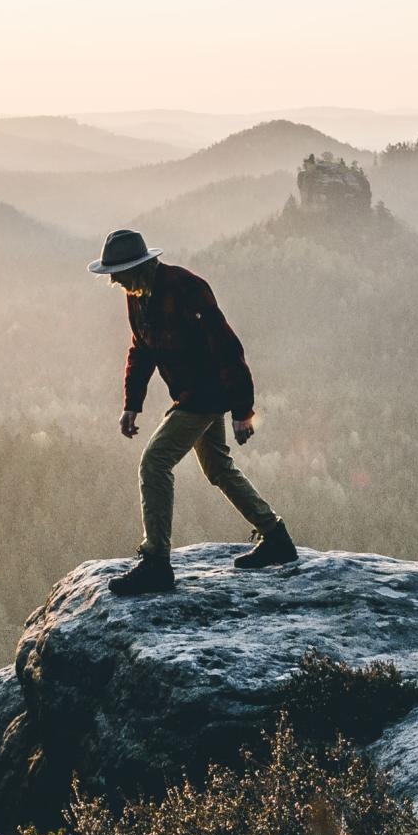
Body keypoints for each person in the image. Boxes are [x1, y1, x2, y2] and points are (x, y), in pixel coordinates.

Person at [88, 229, 299, 594]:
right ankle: (275, 536)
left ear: (136, 267)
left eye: (117, 273)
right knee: (217, 467)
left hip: (207, 393)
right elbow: (141, 349)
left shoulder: (186, 289)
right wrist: (131, 404)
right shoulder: (138, 296)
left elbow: (228, 349)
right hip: (189, 393)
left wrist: (242, 410)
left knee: (154, 463)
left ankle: (156, 562)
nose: (114, 281)